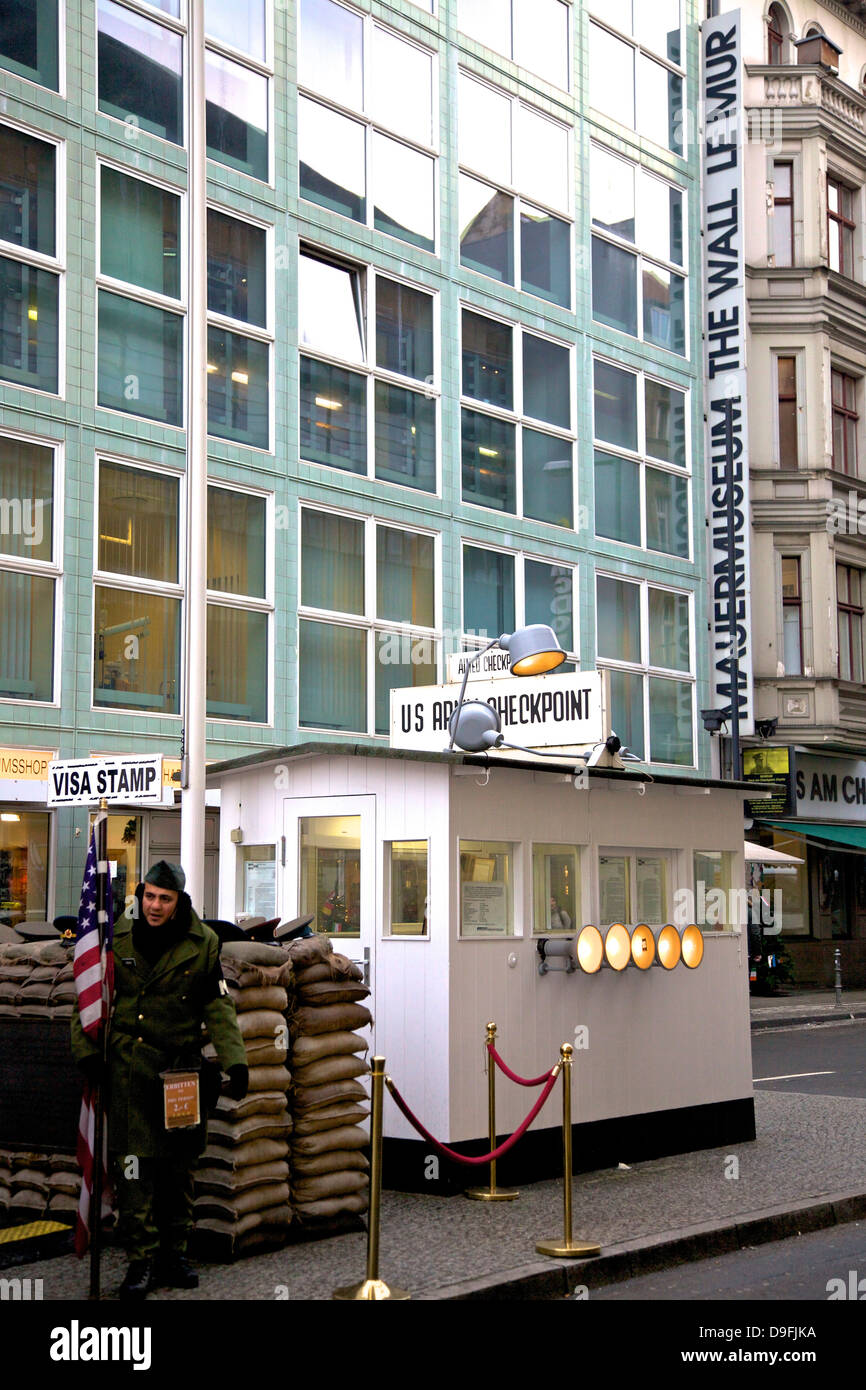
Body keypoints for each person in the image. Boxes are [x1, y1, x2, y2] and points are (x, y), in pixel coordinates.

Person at [70, 861, 248, 1300]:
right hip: (130, 1070)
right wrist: (89, 1054)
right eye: (149, 896)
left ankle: (174, 1255)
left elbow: (218, 1006)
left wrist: (236, 1061)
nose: (154, 905)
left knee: (179, 1168)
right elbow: (88, 999)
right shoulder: (117, 936)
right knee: (134, 1171)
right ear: (140, 893)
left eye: (164, 899)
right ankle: (140, 1261)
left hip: (180, 1073)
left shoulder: (202, 943)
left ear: (178, 901)